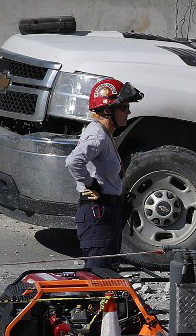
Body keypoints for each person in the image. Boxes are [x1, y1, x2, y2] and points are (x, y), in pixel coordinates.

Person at [65, 78, 143, 269]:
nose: (128, 112)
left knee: (107, 272)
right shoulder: (98, 135)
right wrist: (89, 183)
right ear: (108, 110)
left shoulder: (104, 134)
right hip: (97, 213)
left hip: (106, 213)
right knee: (98, 275)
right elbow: (73, 161)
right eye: (124, 107)